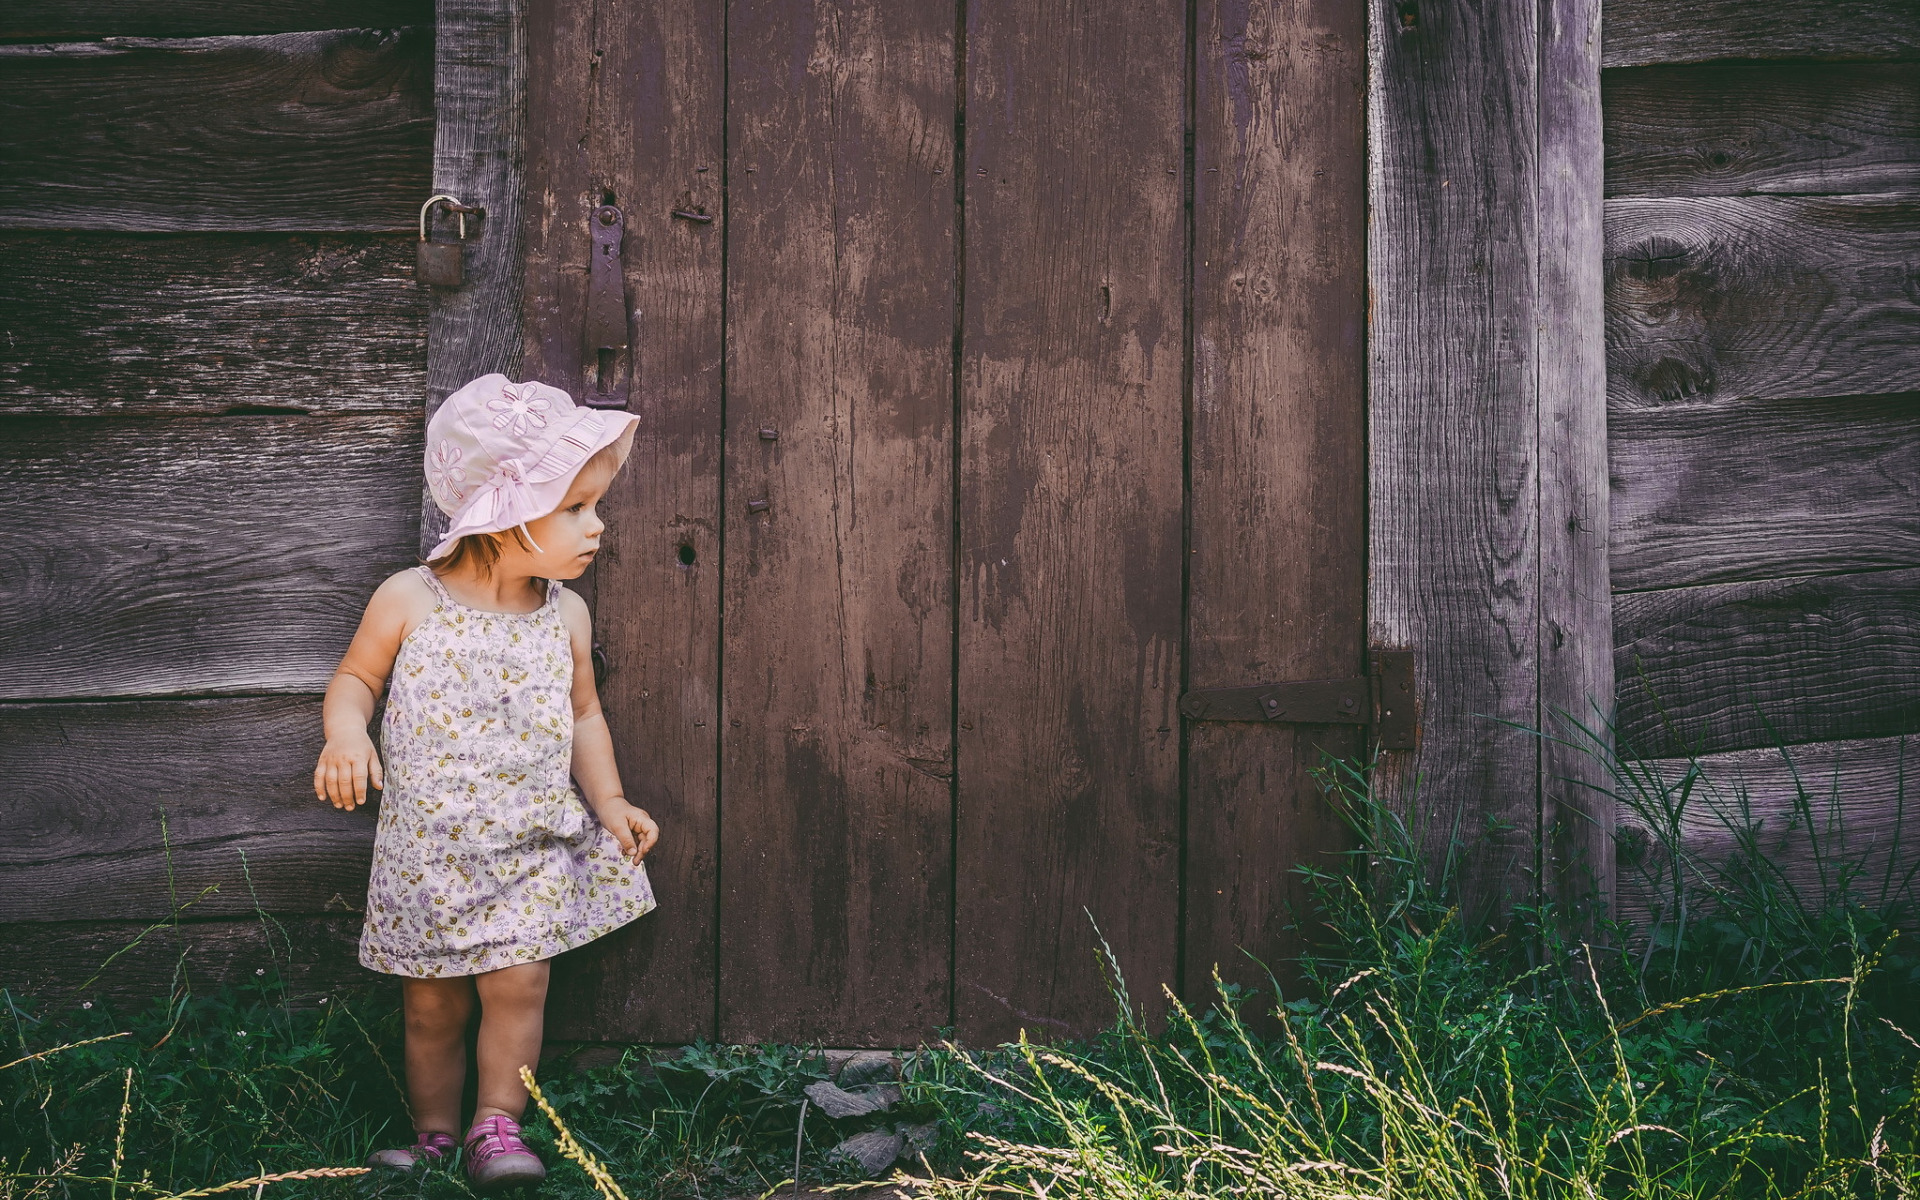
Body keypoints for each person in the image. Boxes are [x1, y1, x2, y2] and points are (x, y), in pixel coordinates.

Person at [314, 373, 660, 1190]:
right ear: (502, 513)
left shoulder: (564, 614)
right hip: (426, 856)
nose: (597, 525)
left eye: (594, 505)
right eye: (575, 507)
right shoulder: (410, 600)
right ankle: (433, 1134)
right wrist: (344, 734)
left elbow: (583, 717)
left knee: (518, 986)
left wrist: (609, 803)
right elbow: (357, 679)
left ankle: (496, 1126)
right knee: (431, 1004)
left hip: (527, 846)